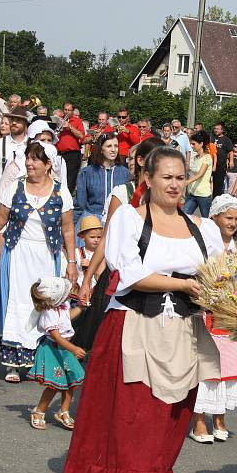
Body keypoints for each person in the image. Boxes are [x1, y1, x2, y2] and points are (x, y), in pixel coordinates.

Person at [54, 147, 225, 473]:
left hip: (183, 333)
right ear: (148, 179)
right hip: (134, 326)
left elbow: (221, 276)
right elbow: (129, 275)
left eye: (180, 177)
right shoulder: (129, 220)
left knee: (168, 423)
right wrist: (185, 284)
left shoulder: (203, 229)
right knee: (133, 422)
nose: (175, 184)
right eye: (167, 177)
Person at [0, 142, 77, 383]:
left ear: (48, 165)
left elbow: (68, 229)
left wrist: (71, 261)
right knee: (15, 306)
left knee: (42, 307)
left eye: (35, 160)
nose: (29, 163)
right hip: (17, 253)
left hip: (47, 257)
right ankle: (13, 363)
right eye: (28, 158)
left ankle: (38, 361)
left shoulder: (61, 192)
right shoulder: (16, 187)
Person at [71, 137, 163, 351]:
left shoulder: (165, 196)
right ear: (141, 161)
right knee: (107, 334)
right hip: (121, 273)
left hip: (154, 272)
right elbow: (107, 238)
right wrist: (87, 279)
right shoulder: (124, 192)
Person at [190, 194, 237, 444]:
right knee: (206, 366)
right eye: (228, 217)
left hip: (231, 315)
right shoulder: (201, 244)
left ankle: (219, 416)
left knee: (228, 367)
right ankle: (198, 420)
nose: (233, 223)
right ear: (214, 217)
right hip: (206, 311)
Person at [26, 277, 86, 430]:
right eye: (66, 293)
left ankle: (63, 411)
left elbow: (68, 317)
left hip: (64, 350)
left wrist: (80, 307)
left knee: (71, 382)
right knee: (54, 384)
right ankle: (39, 411)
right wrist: (73, 348)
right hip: (53, 350)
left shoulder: (62, 306)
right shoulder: (48, 313)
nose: (69, 294)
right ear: (56, 297)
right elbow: (56, 336)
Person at [75, 133, 130, 224]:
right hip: (92, 221)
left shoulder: (125, 173)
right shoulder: (87, 172)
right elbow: (79, 205)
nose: (113, 150)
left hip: (118, 221)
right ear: (101, 149)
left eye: (116, 146)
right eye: (109, 146)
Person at [0, 107, 29, 190]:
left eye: (18, 120)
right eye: (12, 120)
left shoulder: (31, 144)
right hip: (3, 192)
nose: (14, 123)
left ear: (25, 123)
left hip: (24, 193)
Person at [182, 130, 214, 217]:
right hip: (193, 193)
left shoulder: (207, 158)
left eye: (193, 144)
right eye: (191, 144)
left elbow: (200, 174)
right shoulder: (196, 157)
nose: (191, 146)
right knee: (184, 216)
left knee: (207, 219)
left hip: (203, 195)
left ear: (201, 144)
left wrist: (186, 182)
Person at [56, 102, 86, 193]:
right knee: (58, 177)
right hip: (59, 154)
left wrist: (70, 127)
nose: (67, 112)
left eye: (69, 110)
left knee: (70, 178)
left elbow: (81, 136)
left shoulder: (78, 121)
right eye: (65, 110)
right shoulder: (58, 120)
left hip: (72, 154)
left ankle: (68, 197)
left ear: (72, 111)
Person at [211, 122, 233, 199]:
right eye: (215, 128)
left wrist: (231, 161)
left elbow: (230, 151)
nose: (216, 130)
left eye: (217, 129)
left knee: (218, 184)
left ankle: (216, 199)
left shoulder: (226, 140)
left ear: (222, 130)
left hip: (220, 165)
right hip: (209, 163)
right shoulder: (211, 138)